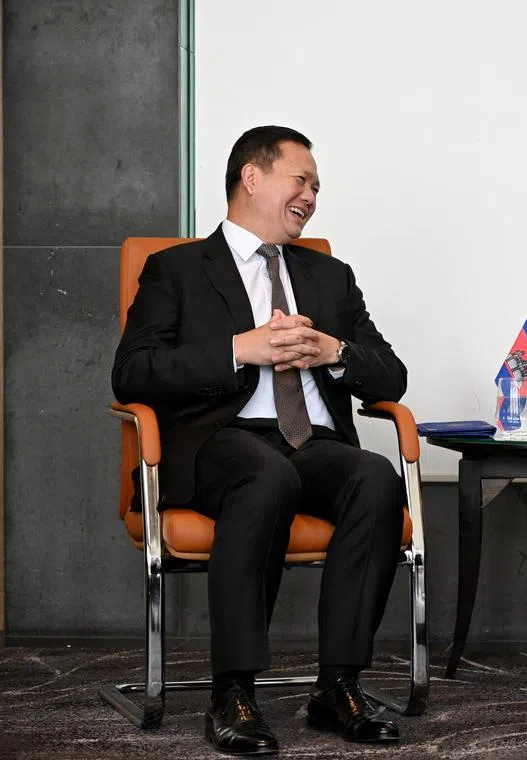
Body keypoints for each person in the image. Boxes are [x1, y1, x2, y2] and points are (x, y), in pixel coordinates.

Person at [112, 126, 408, 755]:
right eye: (301, 180)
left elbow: (392, 377)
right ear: (252, 176)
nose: (311, 197)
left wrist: (333, 352)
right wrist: (237, 350)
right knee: (267, 476)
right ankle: (234, 692)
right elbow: (133, 373)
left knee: (375, 477)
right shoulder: (177, 270)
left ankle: (338, 687)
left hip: (311, 441)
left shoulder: (330, 276)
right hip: (219, 439)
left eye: (317, 188)